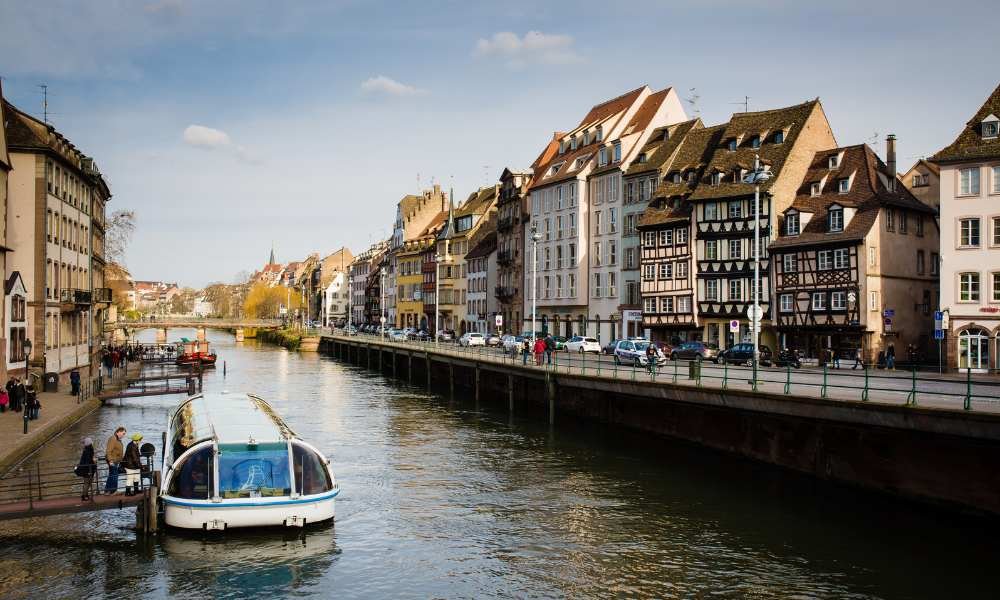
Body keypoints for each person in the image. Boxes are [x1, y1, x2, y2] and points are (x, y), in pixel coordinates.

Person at [104, 426, 126, 494]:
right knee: (114, 475)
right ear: (118, 432)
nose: (123, 435)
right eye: (123, 433)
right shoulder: (113, 439)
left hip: (115, 461)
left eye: (124, 434)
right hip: (112, 461)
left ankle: (107, 491)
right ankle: (113, 491)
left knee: (111, 475)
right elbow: (108, 451)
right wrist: (110, 461)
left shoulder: (116, 439)